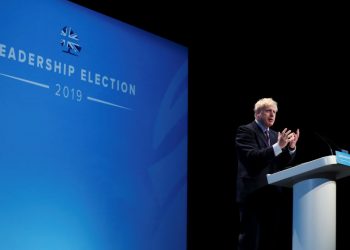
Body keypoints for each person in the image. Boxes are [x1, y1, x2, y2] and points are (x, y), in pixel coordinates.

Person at [235, 97, 300, 250]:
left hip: (272, 194)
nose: (272, 115)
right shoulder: (245, 131)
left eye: (275, 112)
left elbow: (279, 163)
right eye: (268, 111)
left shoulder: (275, 135)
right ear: (257, 113)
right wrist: (278, 146)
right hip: (253, 194)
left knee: (269, 240)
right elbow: (253, 157)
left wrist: (290, 148)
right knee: (250, 240)